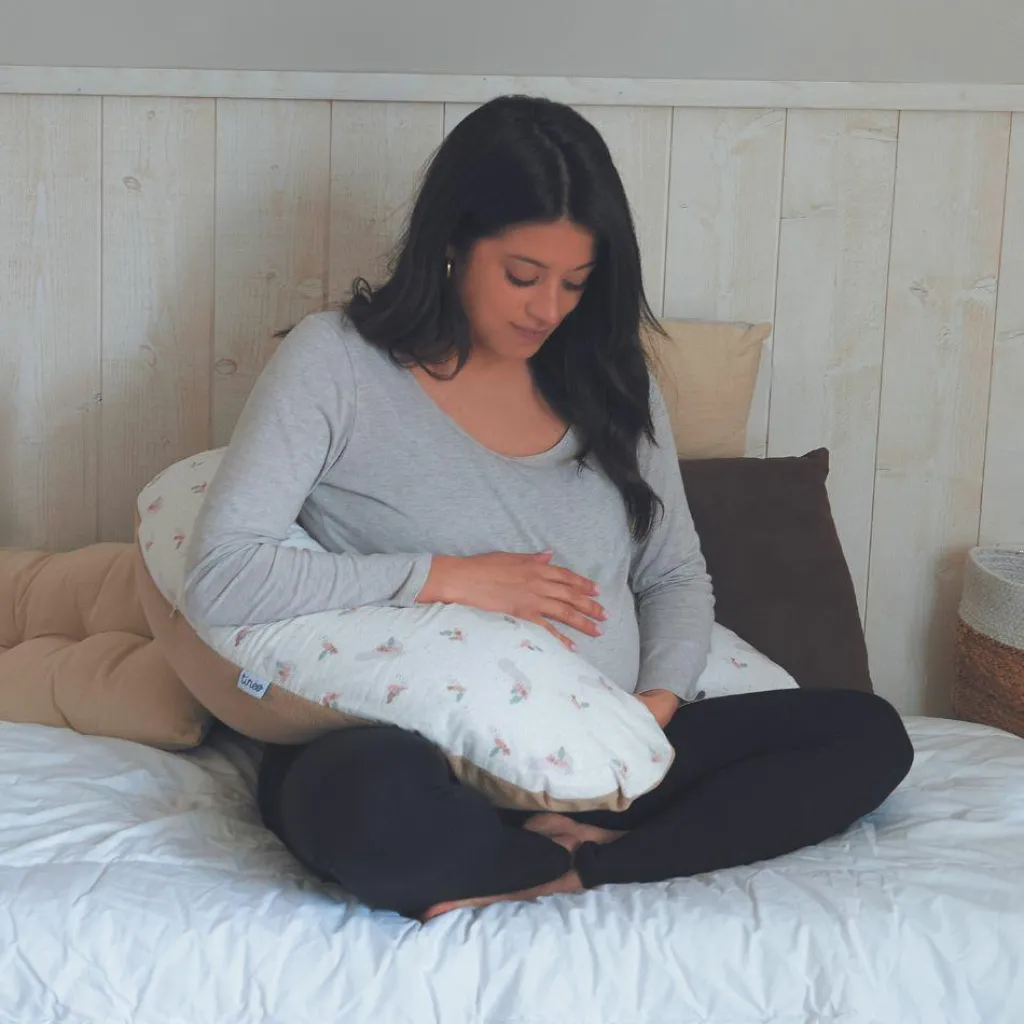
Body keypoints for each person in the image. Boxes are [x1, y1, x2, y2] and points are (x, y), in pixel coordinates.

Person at [182, 95, 914, 922]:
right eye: (523, 277)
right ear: (452, 243)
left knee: (867, 734)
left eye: (576, 282)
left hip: (611, 755)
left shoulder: (612, 376)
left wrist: (648, 718)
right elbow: (223, 575)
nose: (549, 310)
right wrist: (448, 578)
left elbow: (674, 574)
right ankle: (563, 850)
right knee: (366, 802)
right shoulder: (338, 363)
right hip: (423, 753)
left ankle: (570, 864)